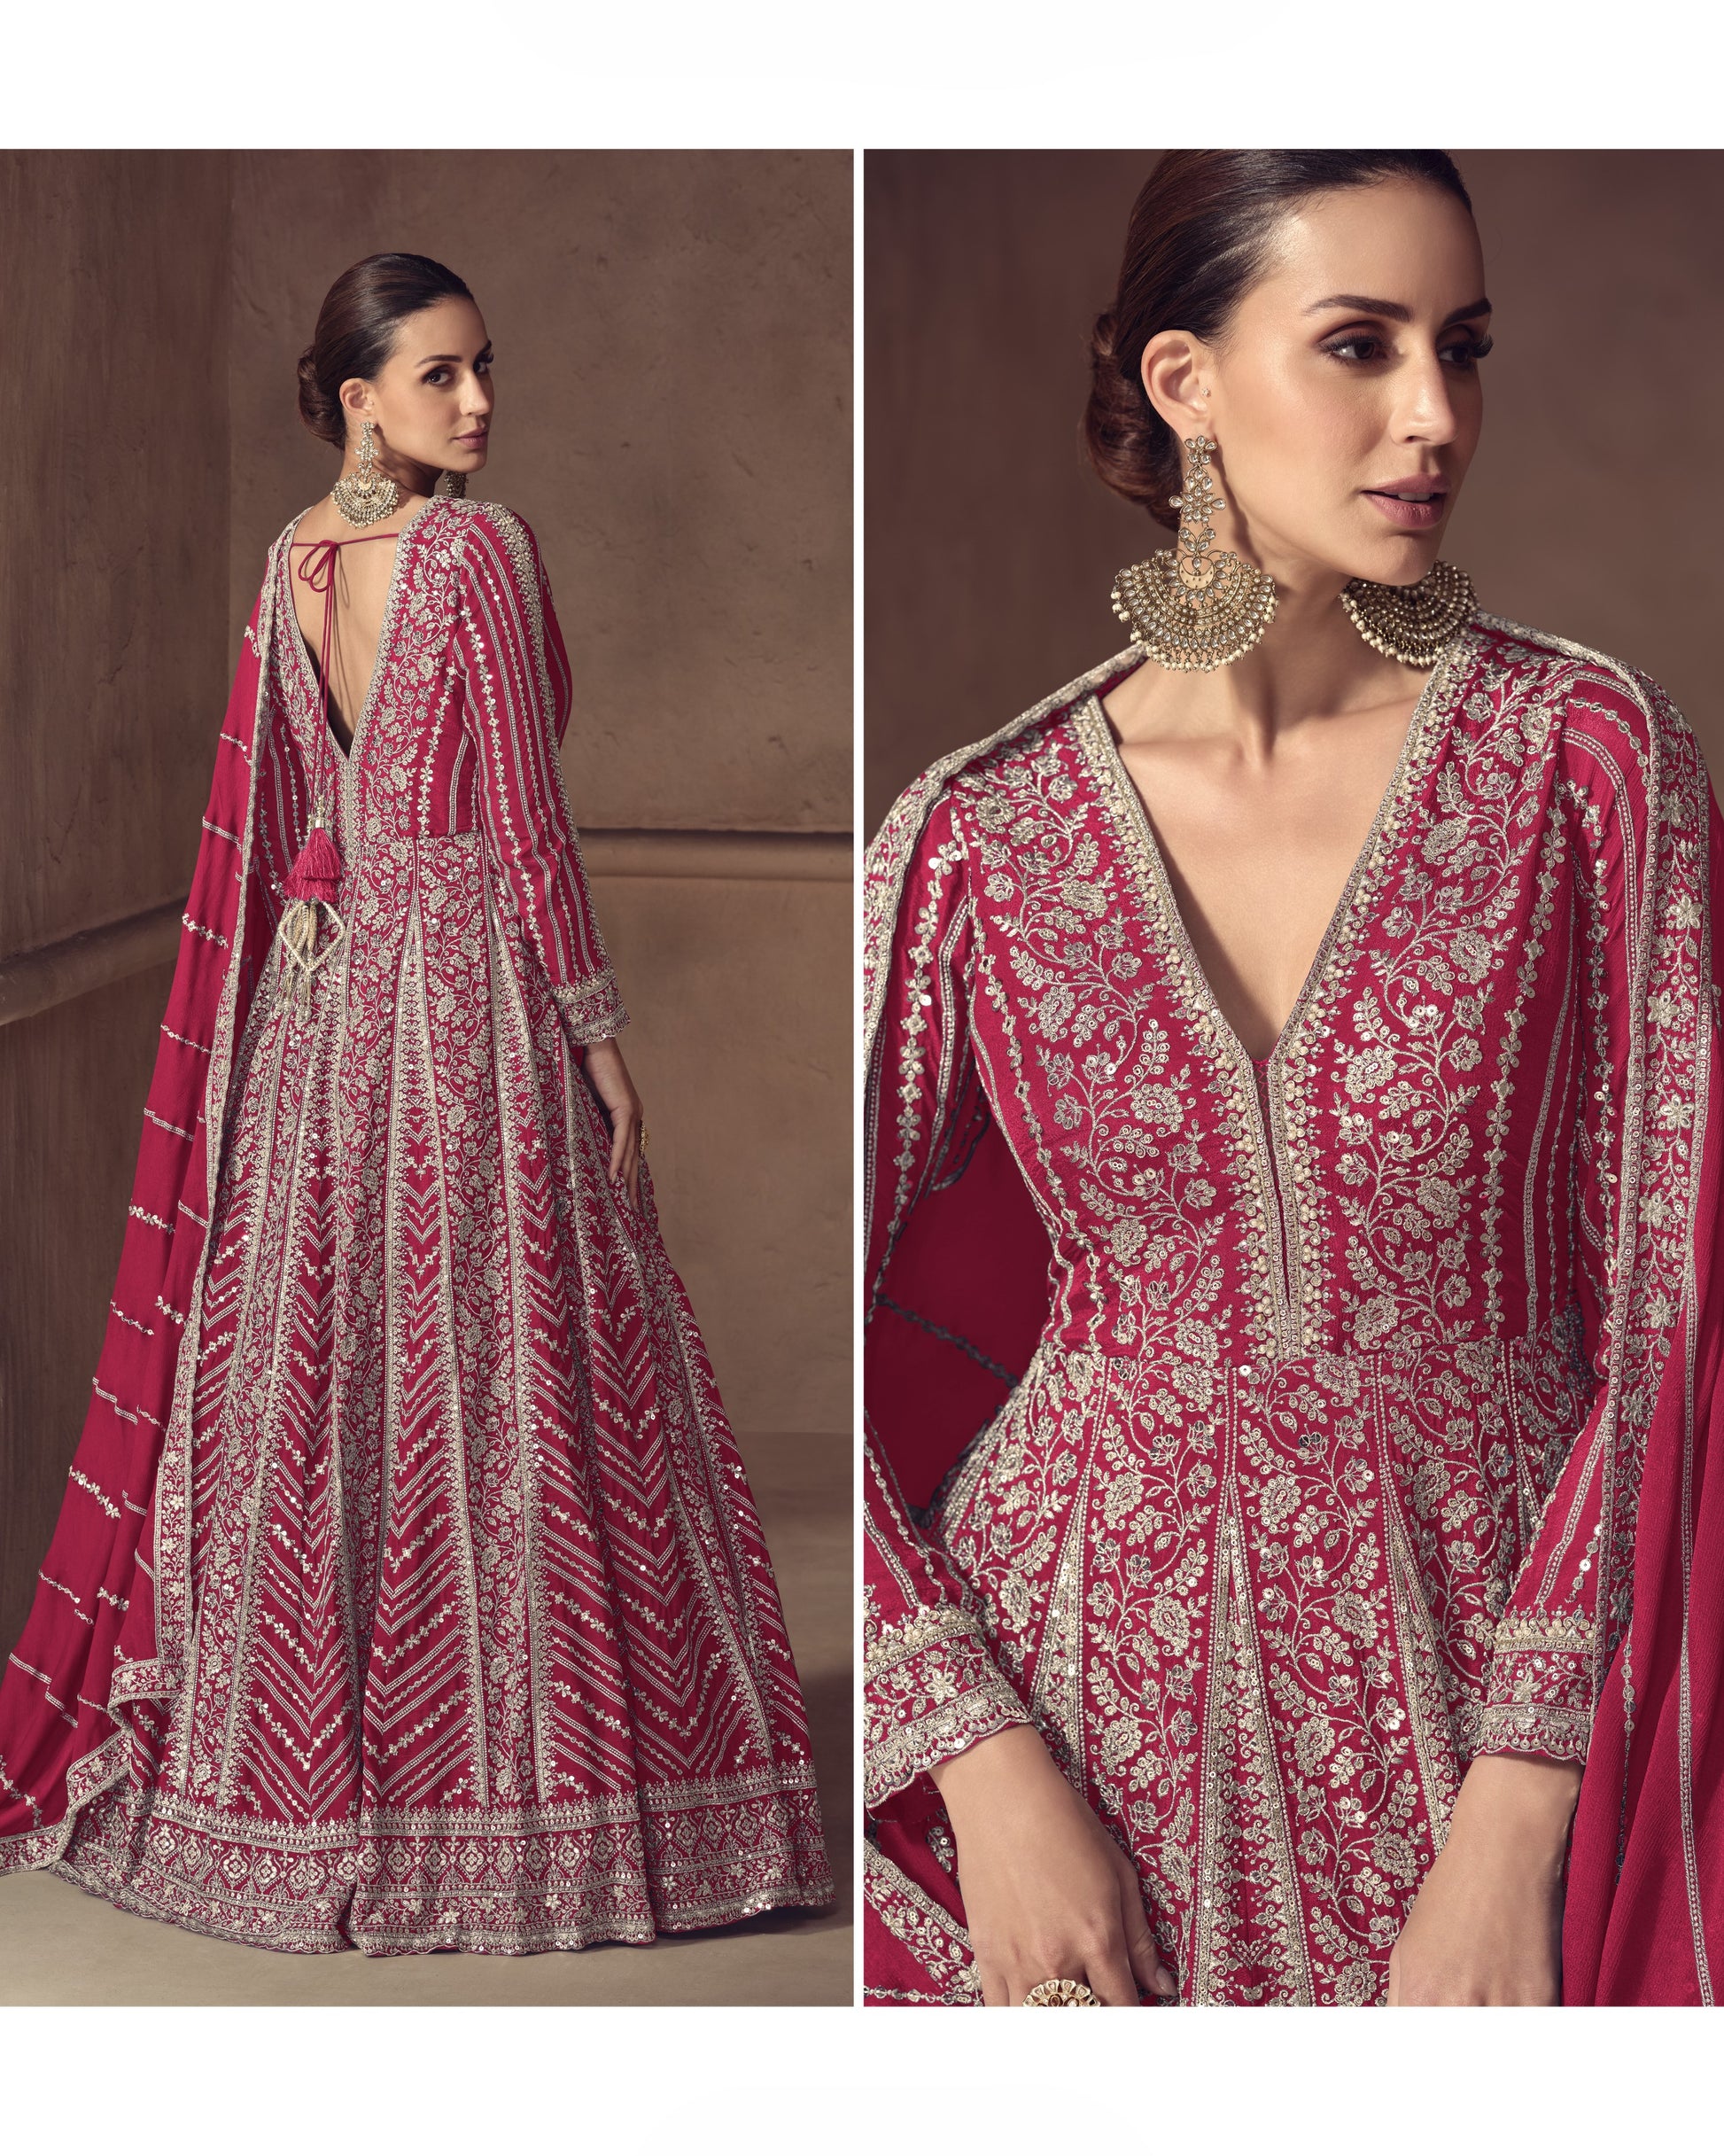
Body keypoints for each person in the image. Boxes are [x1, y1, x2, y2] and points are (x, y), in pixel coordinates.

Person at [863, 152, 1721, 2006]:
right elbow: (786, 1344)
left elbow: (1672, 1312)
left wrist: (1510, 1825)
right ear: (1184, 386)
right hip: (1060, 1730)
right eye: (1358, 345)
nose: (1434, 417)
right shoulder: (973, 836)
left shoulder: (1591, 767)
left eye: (1462, 346)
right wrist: (979, 1762)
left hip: (1497, 1701)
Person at [0, 251, 833, 1954]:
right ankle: (535, 1793)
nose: (480, 404)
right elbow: (524, 817)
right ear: (358, 394)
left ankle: (291, 1788)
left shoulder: (292, 559)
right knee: (503, 1360)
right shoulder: (477, 547)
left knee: (325, 1366)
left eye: (484, 369)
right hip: (463, 996)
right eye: (441, 375)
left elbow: (306, 806)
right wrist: (596, 1036)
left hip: (321, 1003)